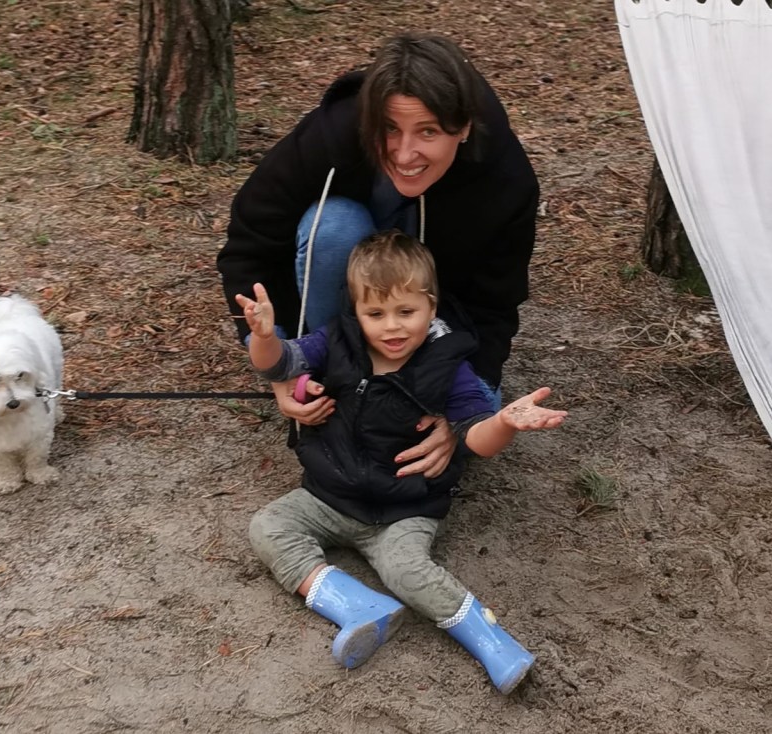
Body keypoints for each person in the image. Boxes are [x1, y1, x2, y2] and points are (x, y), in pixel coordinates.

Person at [234, 231, 566, 694]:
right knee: (269, 526)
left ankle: (493, 642)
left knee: (406, 571)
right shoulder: (338, 340)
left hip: (406, 507)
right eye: (375, 314)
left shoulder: (448, 364)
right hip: (329, 494)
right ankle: (356, 606)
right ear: (356, 311)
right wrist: (265, 337)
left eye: (406, 312)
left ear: (431, 307)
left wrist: (504, 422)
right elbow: (279, 365)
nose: (391, 328)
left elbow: (474, 436)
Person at [217, 31, 540, 481]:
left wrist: (458, 411)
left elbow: (495, 304)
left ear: (463, 127)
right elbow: (250, 245)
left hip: (433, 320)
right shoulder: (332, 134)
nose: (404, 154)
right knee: (334, 224)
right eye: (389, 128)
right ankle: (326, 371)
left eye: (428, 131)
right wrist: (278, 367)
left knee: (470, 439)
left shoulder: (507, 181)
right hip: (347, 276)